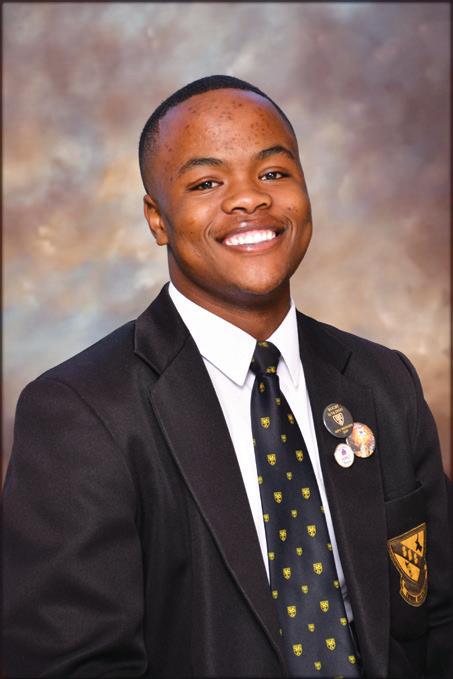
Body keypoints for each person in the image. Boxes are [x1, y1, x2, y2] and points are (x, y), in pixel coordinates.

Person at [3, 75, 452, 678]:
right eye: (206, 183)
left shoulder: (384, 382)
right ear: (157, 219)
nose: (249, 199)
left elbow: (439, 620)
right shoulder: (79, 414)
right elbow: (73, 665)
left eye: (273, 172)